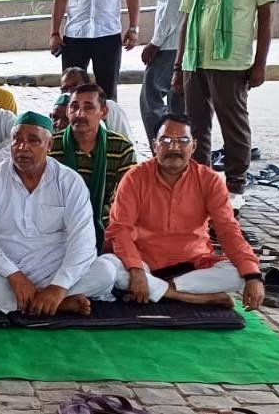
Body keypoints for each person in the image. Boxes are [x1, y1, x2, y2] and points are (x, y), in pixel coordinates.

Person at [0, 112, 116, 316]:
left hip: (53, 266)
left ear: (49, 146)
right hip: (4, 270)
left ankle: (19, 302)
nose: (23, 147)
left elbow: (83, 241)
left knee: (106, 271)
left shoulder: (69, 181)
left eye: (33, 141)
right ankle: (57, 304)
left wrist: (59, 287)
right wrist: (13, 274)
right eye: (17, 140)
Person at [100, 115, 263, 309]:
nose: (174, 147)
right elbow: (119, 229)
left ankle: (165, 291)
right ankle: (194, 297)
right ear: (155, 145)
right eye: (166, 140)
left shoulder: (209, 180)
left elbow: (228, 230)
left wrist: (253, 276)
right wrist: (136, 270)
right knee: (107, 267)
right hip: (144, 264)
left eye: (183, 141)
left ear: (193, 146)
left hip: (192, 266)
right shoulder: (135, 178)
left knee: (238, 274)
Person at [174, 0, 276, 210]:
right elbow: (186, 20)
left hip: (232, 64)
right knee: (197, 128)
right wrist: (179, 67)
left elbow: (266, 18)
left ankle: (234, 188)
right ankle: (202, 184)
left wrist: (260, 64)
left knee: (234, 127)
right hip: (196, 62)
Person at [49, 84, 137, 250]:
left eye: (88, 107)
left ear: (103, 112)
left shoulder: (120, 147)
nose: (79, 114)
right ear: (68, 111)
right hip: (59, 229)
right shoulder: (51, 146)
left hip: (105, 227)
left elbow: (128, 201)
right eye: (74, 107)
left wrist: (114, 235)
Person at [140, 0, 203, 140]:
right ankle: (179, 151)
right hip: (186, 42)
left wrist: (155, 42)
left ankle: (162, 147)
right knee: (179, 100)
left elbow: (176, 6)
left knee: (151, 98)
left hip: (172, 42)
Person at [59, 67, 133, 138]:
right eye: (65, 89)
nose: (70, 92)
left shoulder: (109, 107)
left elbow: (128, 142)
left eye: (75, 86)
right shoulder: (59, 109)